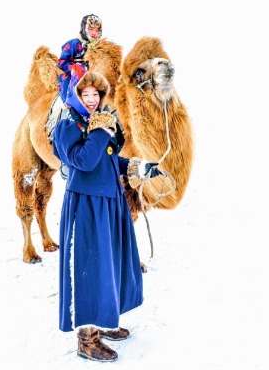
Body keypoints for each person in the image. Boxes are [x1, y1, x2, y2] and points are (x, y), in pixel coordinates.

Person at [52, 71, 163, 362]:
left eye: (96, 95)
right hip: (86, 208)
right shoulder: (67, 127)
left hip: (111, 204)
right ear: (77, 96)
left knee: (110, 264)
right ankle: (87, 340)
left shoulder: (101, 123)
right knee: (89, 268)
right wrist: (101, 129)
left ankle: (104, 318)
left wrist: (140, 167)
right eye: (85, 95)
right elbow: (84, 162)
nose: (91, 101)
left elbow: (109, 159)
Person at [57, 14, 103, 104]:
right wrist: (74, 68)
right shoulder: (75, 43)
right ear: (84, 29)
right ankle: (70, 109)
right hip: (72, 77)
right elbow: (62, 62)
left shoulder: (99, 48)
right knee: (71, 93)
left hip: (90, 78)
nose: (94, 33)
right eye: (91, 29)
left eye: (97, 30)